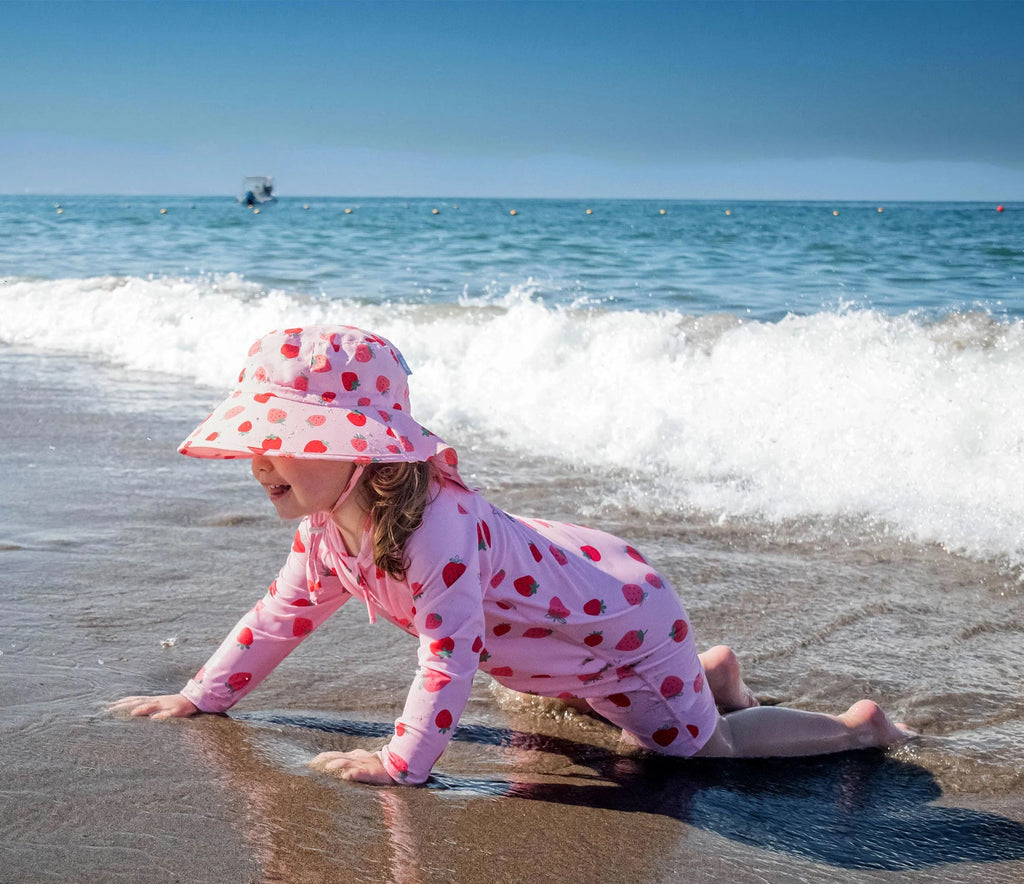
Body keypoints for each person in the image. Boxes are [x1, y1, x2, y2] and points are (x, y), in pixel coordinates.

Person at [111, 324, 914, 785]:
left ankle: (854, 727)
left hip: (625, 631)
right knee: (619, 715)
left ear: (361, 452)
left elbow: (445, 659)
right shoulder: (326, 533)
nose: (259, 460)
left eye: (283, 441)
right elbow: (280, 616)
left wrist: (405, 762)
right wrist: (200, 696)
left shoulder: (436, 534)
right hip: (577, 630)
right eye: (256, 439)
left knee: (695, 749)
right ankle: (714, 676)